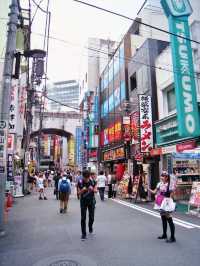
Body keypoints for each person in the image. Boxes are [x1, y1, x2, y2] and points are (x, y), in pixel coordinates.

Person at [148, 171, 176, 243]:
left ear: (167, 177)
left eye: (164, 176)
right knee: (163, 218)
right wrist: (148, 188)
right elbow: (154, 192)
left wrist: (172, 191)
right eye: (162, 176)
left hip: (167, 202)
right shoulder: (159, 184)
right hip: (161, 202)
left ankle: (173, 237)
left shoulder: (169, 184)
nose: (162, 177)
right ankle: (164, 234)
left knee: (169, 219)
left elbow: (172, 195)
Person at [77, 170, 97, 241]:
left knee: (92, 217)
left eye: (87, 178)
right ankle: (83, 234)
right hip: (83, 201)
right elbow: (78, 193)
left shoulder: (93, 182)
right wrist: (82, 190)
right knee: (83, 218)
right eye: (84, 178)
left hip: (91, 201)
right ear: (83, 177)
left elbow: (96, 190)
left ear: (89, 177)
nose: (85, 179)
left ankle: (90, 226)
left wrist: (93, 190)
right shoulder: (80, 182)